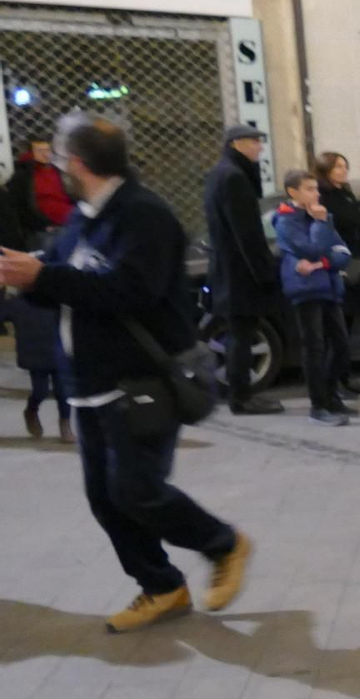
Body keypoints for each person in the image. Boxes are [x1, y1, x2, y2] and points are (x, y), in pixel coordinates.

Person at [0, 117, 253, 632]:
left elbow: (130, 290)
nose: (56, 169)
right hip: (89, 387)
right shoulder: (84, 217)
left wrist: (46, 274)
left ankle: (224, 545)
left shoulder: (144, 215)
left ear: (78, 164)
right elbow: (71, 284)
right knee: (105, 498)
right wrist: (30, 276)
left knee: (135, 489)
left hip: (139, 384)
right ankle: (161, 587)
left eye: (61, 160)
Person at [202, 124, 284, 415]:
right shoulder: (234, 178)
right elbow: (246, 234)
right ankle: (241, 397)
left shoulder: (219, 174)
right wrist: (264, 272)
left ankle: (242, 394)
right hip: (239, 273)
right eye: (254, 142)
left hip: (227, 269)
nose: (259, 148)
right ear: (237, 143)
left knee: (240, 334)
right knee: (241, 335)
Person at [274, 169, 354, 426]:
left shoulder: (321, 214)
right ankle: (318, 405)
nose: (316, 194)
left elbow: (343, 252)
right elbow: (310, 248)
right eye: (309, 189)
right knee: (314, 347)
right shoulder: (286, 221)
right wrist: (320, 224)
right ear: (293, 192)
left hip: (328, 286)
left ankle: (331, 394)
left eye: (316, 189)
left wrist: (319, 265)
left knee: (341, 344)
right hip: (305, 289)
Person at [314, 152, 360, 400]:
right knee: (335, 328)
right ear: (325, 170)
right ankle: (333, 381)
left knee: (347, 324)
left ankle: (345, 376)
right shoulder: (323, 198)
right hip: (335, 265)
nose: (343, 170)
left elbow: (359, 234)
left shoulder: (346, 195)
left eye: (345, 166)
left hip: (353, 264)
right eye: (338, 166)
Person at [1, 244, 69, 442]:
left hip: (58, 351)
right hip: (34, 354)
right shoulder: (18, 303)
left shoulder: (60, 300)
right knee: (40, 390)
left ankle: (65, 425)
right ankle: (31, 410)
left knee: (63, 392)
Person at [10, 139, 73, 235]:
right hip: (46, 227)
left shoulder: (57, 171)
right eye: (40, 151)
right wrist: (44, 225)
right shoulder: (24, 175)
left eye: (47, 150)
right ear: (30, 154)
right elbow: (20, 206)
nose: (45, 154)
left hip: (70, 221)